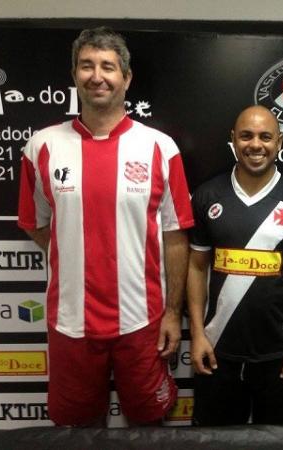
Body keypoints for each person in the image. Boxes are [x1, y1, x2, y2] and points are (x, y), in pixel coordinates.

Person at [17, 27, 194, 426]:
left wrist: (172, 313)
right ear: (74, 75)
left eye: (108, 67)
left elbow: (175, 236)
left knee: (148, 422)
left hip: (142, 320)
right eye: (87, 66)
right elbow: (36, 224)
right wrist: (76, 252)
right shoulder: (41, 146)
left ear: (126, 78)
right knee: (77, 428)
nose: (97, 76)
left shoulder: (160, 147)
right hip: (70, 321)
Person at [187, 105, 283, 426]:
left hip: (281, 354)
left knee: (281, 443)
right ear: (233, 139)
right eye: (246, 136)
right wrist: (196, 334)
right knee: (215, 442)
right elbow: (196, 268)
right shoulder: (207, 196)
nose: (255, 145)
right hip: (217, 350)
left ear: (279, 142)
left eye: (265, 137)